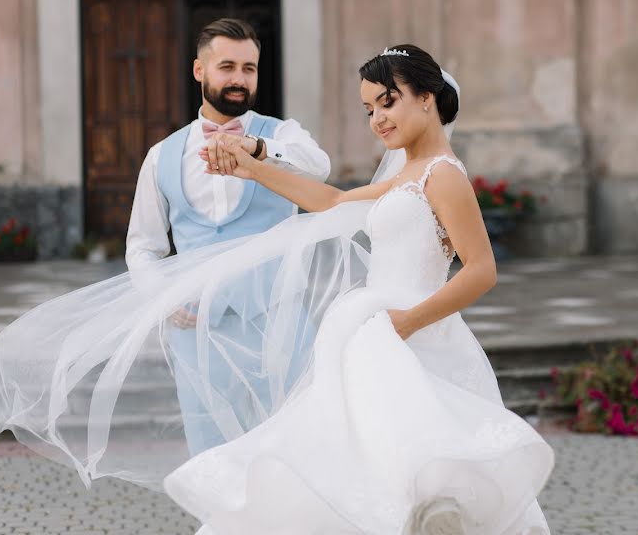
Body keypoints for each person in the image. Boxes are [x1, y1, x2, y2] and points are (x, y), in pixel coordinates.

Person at [165, 44, 553, 534]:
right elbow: (333, 201)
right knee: (361, 471)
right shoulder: (407, 172)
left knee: (420, 481)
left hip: (417, 337)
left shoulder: (443, 175)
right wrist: (254, 170)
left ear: (427, 97)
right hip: (375, 336)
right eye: (369, 109)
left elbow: (481, 270)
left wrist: (407, 322)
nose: (378, 119)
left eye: (388, 102)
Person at [127, 17, 330, 455]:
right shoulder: (161, 155)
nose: (239, 79)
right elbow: (143, 245)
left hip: (277, 321)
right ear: (200, 71)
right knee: (212, 453)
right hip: (198, 332)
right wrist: (163, 296)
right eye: (227, 67)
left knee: (294, 448)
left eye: (249, 69)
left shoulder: (282, 136)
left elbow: (320, 167)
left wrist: (257, 150)